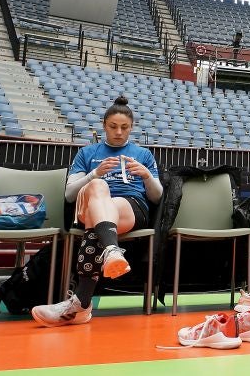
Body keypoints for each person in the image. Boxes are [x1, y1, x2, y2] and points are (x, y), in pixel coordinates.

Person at [30, 96, 162, 327]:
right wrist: (95, 174)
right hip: (88, 203)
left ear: (131, 128)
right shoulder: (87, 153)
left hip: (129, 207)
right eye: (113, 127)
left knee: (96, 223)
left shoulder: (143, 155)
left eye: (124, 127)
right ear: (104, 126)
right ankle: (111, 250)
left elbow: (157, 196)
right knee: (98, 187)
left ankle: (80, 303)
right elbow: (70, 194)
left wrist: (147, 176)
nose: (119, 132)